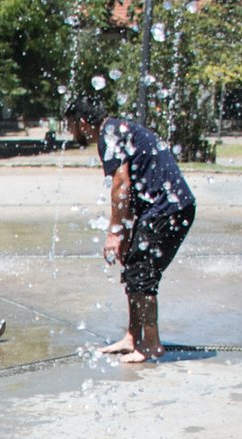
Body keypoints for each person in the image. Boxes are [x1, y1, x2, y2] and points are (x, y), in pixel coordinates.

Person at [64, 95, 197, 363]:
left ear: (82, 122)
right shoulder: (117, 129)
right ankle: (133, 336)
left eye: (70, 125)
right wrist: (126, 233)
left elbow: (121, 184)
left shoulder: (109, 134)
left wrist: (115, 233)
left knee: (142, 272)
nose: (71, 132)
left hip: (168, 208)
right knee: (133, 268)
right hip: (166, 207)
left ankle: (151, 344)